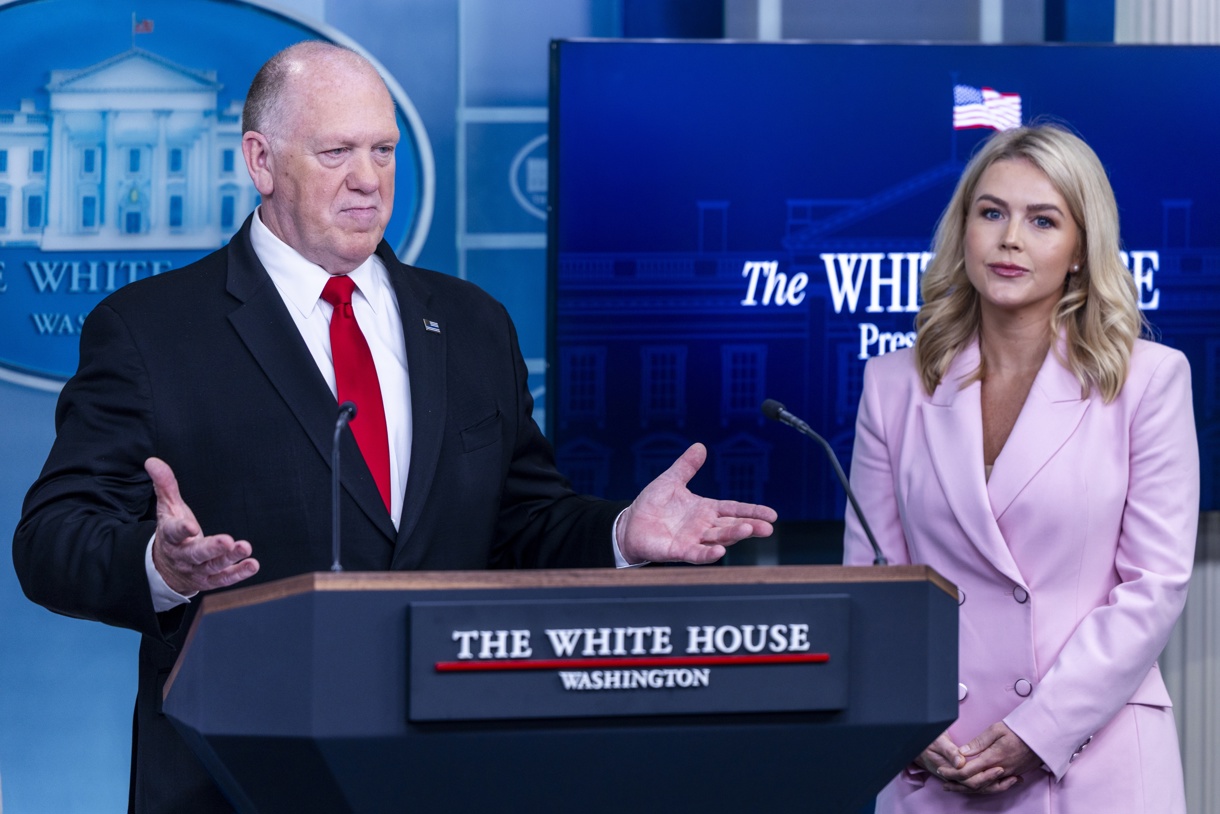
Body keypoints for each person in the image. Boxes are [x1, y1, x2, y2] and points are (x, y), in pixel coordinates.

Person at [12, 41, 776, 813]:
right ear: (261, 160)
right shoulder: (151, 331)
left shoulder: (473, 324)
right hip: (240, 779)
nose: (368, 179)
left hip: (449, 771)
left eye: (383, 150)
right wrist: (159, 567)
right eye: (337, 151)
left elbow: (522, 523)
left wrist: (619, 536)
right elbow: (50, 538)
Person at [843, 123, 1197, 813]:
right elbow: (873, 587)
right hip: (939, 758)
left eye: (1043, 220)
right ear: (964, 230)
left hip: (1092, 758)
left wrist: (1041, 730)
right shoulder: (892, 386)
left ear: (1078, 249)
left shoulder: (1149, 380)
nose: (1010, 239)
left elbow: (1153, 586)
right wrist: (911, 722)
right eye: (992, 212)